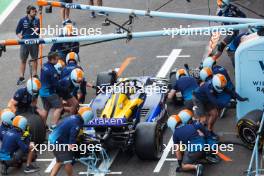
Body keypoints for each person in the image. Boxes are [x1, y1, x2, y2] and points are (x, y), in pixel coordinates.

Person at [192, 74, 248, 139]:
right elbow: (215, 102)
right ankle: (199, 134)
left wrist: (241, 98)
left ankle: (209, 131)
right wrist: (228, 105)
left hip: (206, 98)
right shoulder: (208, 88)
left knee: (215, 114)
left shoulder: (220, 84)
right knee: (203, 119)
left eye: (222, 87)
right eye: (220, 87)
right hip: (198, 99)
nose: (222, 89)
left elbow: (231, 92)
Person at [49, 107, 94, 176]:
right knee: (68, 161)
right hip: (58, 141)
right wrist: (73, 149)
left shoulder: (74, 117)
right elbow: (73, 137)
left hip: (54, 139)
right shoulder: (77, 123)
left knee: (59, 161)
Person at [167, 109, 205, 176]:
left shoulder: (176, 134)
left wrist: (180, 163)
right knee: (187, 146)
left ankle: (197, 167)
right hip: (203, 145)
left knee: (184, 166)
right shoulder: (190, 125)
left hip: (194, 149)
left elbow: (177, 151)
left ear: (172, 125)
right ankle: (202, 156)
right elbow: (201, 134)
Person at [15, 5, 40, 85]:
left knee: (34, 59)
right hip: (24, 43)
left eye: (35, 11)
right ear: (28, 12)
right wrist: (20, 36)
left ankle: (35, 75)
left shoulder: (37, 20)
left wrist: (36, 29)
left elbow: (39, 31)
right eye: (33, 11)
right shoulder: (22, 20)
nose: (35, 12)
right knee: (23, 60)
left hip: (34, 42)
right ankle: (21, 77)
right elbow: (17, 31)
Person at [39, 52, 63, 128]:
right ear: (52, 59)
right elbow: (56, 85)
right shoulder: (52, 71)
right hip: (49, 93)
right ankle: (54, 125)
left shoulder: (44, 66)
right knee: (59, 107)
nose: (58, 61)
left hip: (42, 92)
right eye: (57, 59)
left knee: (46, 108)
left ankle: (43, 126)